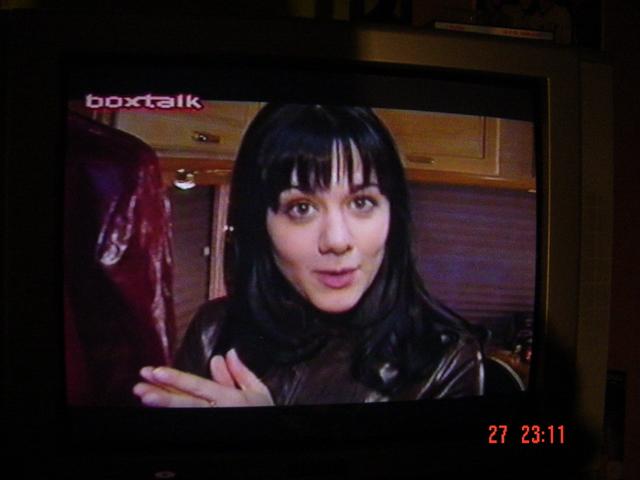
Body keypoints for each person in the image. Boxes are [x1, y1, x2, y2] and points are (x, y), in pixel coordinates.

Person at [133, 104, 485, 407]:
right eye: (301, 208)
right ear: (259, 224)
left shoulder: (446, 358)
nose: (337, 240)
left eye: (362, 202)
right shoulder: (215, 329)